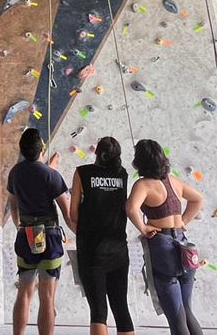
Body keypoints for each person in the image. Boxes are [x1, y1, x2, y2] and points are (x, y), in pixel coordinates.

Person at [126, 139, 204, 335]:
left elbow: (131, 208)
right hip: (184, 245)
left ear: (139, 161)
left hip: (163, 247)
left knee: (177, 318)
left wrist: (143, 228)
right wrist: (183, 221)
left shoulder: (143, 185)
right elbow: (197, 199)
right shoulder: (174, 181)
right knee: (187, 311)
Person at [8, 128, 75, 335]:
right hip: (50, 237)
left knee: (24, 292)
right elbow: (67, 214)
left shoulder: (15, 173)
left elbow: (13, 207)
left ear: (22, 150)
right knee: (47, 297)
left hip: (25, 235)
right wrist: (80, 233)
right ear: (42, 150)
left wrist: (19, 227)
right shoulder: (52, 176)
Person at [70, 136, 134, 335]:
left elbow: (73, 214)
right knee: (121, 308)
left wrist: (85, 230)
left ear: (96, 152)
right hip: (119, 250)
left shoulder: (82, 173)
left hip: (92, 251)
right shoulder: (122, 174)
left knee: (98, 312)